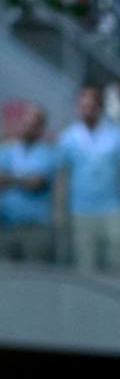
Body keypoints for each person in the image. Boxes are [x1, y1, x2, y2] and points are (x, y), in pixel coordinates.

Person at [55, 85, 120, 273]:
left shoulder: (118, 136)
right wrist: (60, 211)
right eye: (83, 106)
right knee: (85, 264)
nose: (87, 110)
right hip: (81, 210)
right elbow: (62, 177)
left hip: (113, 208)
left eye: (91, 106)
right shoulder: (68, 137)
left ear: (100, 107)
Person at [0, 104, 58, 264]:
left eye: (33, 125)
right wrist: (22, 179)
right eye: (25, 123)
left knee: (36, 280)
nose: (27, 128)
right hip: (6, 226)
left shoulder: (47, 153)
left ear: (41, 129)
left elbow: (36, 183)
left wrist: (10, 178)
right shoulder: (6, 151)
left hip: (35, 229)